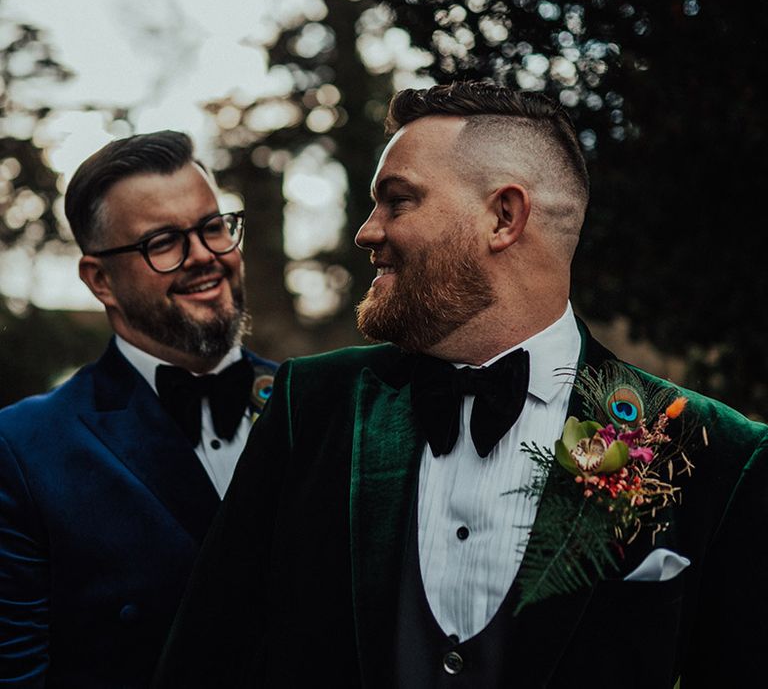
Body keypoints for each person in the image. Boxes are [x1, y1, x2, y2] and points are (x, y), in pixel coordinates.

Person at [152, 84, 768, 688]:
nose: (367, 231)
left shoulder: (713, 448)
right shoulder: (309, 406)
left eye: (397, 202)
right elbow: (210, 657)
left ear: (503, 217)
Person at [0, 131, 276, 687]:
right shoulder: (24, 449)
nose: (204, 257)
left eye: (213, 226)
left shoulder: (319, 404)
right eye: (163, 242)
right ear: (100, 279)